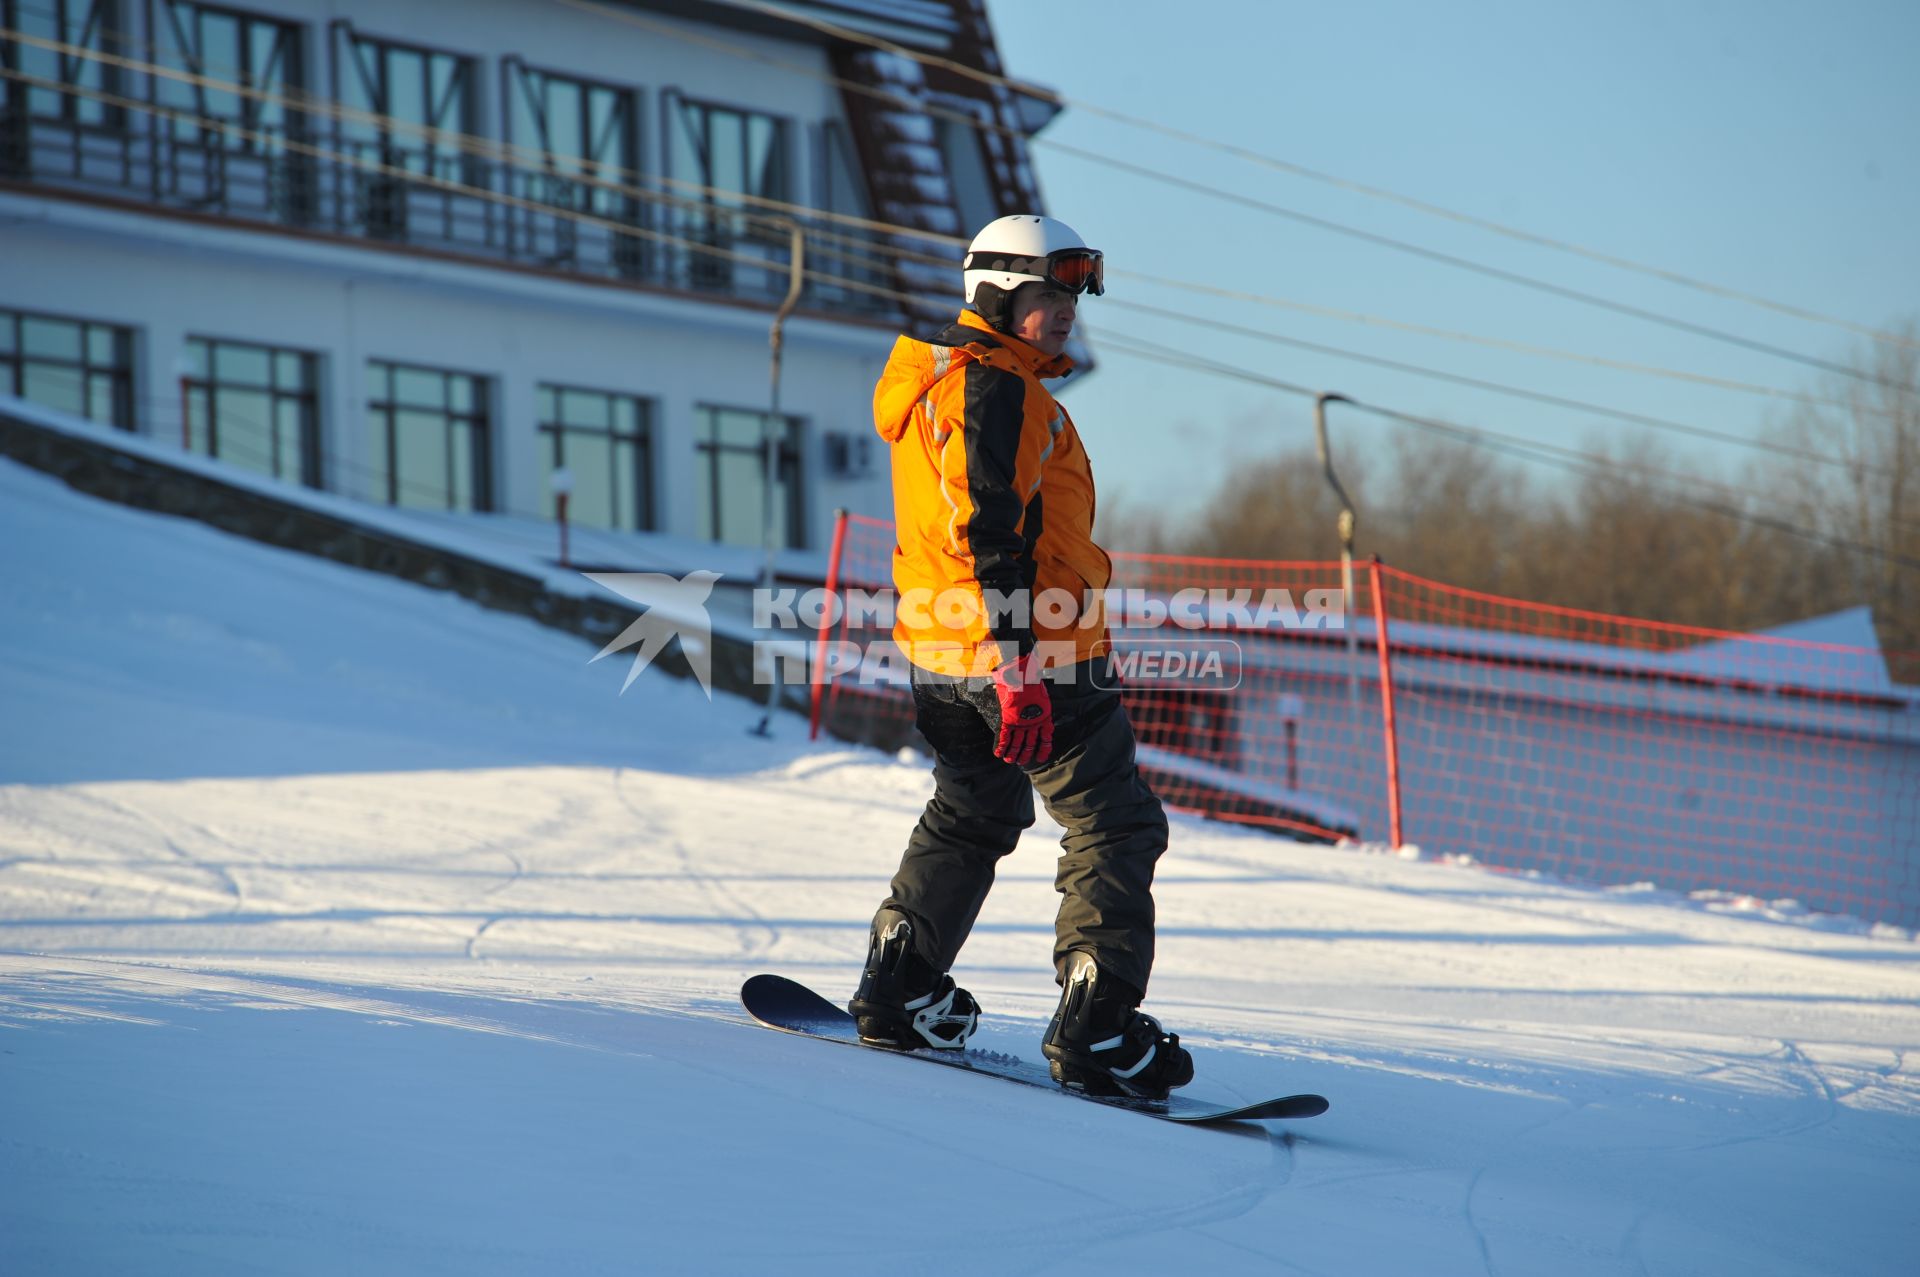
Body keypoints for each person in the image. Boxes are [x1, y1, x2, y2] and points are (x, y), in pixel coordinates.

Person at [848, 214, 1193, 1100]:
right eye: (1048, 292)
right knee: (1113, 824)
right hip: (1029, 659)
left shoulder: (941, 389)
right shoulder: (993, 392)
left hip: (943, 655)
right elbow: (987, 533)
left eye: (1075, 292)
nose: (1067, 309)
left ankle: (901, 982)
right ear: (998, 294)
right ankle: (1098, 1027)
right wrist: (1018, 666)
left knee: (973, 811)